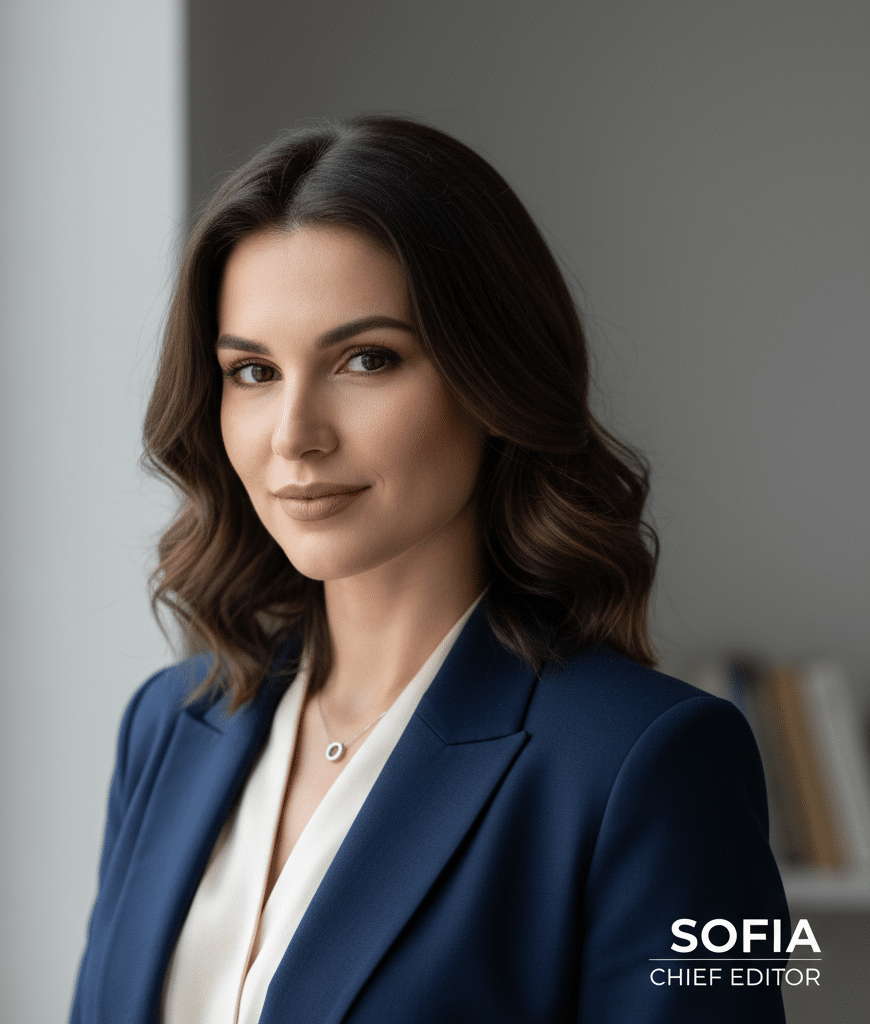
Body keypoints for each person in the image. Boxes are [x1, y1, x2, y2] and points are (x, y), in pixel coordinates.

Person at [70, 116, 789, 1024]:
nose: (295, 435)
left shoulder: (651, 763)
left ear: (494, 378)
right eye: (252, 372)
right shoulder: (170, 727)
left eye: (366, 360)